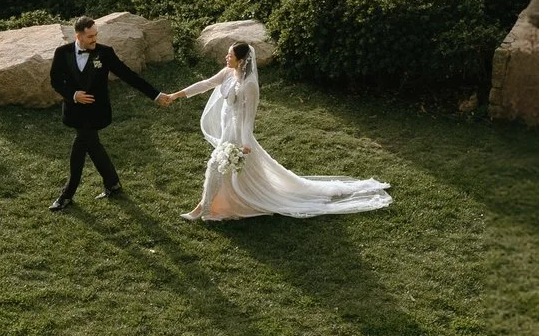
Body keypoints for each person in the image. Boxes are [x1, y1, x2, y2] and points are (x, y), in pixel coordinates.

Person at [162, 43, 391, 221]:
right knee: (241, 172)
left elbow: (248, 117)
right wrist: (175, 95)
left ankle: (202, 208)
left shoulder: (250, 85)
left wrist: (244, 143)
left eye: (230, 55)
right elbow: (204, 84)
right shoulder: (228, 73)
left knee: (215, 165)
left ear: (241, 60)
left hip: (238, 133)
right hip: (226, 128)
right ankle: (231, 201)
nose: (226, 57)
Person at [46, 15, 161, 211]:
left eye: (96, 35)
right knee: (92, 144)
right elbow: (56, 80)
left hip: (96, 112)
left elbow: (128, 76)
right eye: (90, 36)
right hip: (74, 111)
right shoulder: (62, 53)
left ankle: (67, 194)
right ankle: (112, 183)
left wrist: (156, 95)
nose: (94, 39)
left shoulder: (105, 53)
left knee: (80, 146)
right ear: (78, 36)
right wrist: (73, 95)